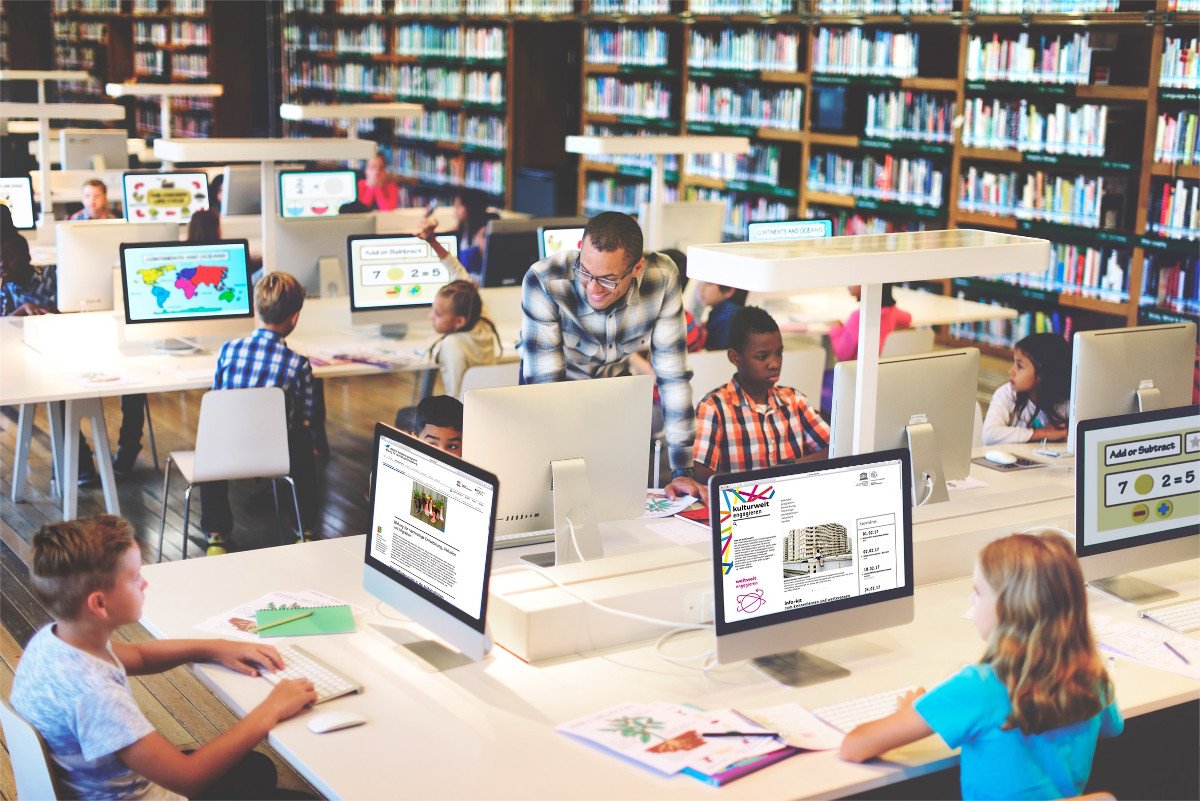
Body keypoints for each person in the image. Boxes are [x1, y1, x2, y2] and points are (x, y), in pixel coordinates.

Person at [10, 514, 317, 800]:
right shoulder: (95, 695)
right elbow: (188, 778)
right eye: (134, 577)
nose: (145, 583)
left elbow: (141, 656)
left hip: (96, 787)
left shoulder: (54, 641)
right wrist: (271, 709)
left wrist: (215, 647)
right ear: (99, 604)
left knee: (256, 768)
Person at [839, 530, 1122, 800]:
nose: (970, 600)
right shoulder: (1092, 675)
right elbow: (1112, 728)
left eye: (977, 591)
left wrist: (912, 710)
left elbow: (855, 747)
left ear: (1006, 609)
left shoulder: (978, 687)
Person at [520, 211, 705, 502]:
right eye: (586, 273)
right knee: (555, 497)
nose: (592, 288)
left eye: (607, 280)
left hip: (614, 393)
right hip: (557, 394)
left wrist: (682, 468)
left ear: (636, 267)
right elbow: (545, 390)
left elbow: (673, 377)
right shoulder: (545, 280)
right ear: (581, 249)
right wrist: (555, 466)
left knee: (616, 502)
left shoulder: (662, 277)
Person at [202, 272, 318, 555]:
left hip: (227, 452)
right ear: (295, 317)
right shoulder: (297, 364)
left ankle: (217, 536)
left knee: (210, 444)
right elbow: (307, 413)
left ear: (257, 309)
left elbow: (219, 396)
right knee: (303, 442)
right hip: (275, 453)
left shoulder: (228, 351)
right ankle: (305, 530)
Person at [693, 306, 830, 482]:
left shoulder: (795, 401)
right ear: (734, 357)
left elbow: (832, 448)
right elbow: (701, 471)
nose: (774, 363)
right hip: (743, 504)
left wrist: (790, 468)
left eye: (778, 354)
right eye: (761, 356)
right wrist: (758, 481)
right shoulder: (713, 408)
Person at [415, 220, 502, 398]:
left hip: (463, 420)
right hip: (487, 411)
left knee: (407, 415)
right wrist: (432, 241)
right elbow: (458, 272)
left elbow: (456, 396)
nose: (430, 317)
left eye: (438, 314)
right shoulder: (482, 320)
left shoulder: (451, 344)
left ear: (459, 321)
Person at [982, 332, 1072, 445]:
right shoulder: (1007, 394)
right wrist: (1043, 433)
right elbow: (989, 434)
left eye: (1019, 366)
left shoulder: (1066, 403)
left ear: (1042, 374)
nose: (1011, 371)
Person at [827, 283, 913, 362]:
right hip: (881, 366)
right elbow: (908, 318)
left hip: (858, 371)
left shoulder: (858, 317)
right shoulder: (891, 311)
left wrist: (836, 328)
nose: (849, 284)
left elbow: (842, 354)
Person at [697, 281, 748, 351]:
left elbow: (719, 352)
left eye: (709, 284)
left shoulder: (728, 316)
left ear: (729, 290)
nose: (702, 289)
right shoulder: (722, 309)